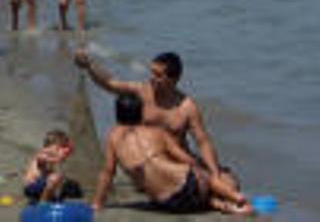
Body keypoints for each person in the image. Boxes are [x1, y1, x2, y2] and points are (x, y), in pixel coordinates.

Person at [74, 50, 228, 180]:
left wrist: (214, 172)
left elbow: (202, 142)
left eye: (158, 75)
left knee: (225, 177)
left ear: (174, 79)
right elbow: (110, 83)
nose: (152, 78)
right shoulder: (142, 92)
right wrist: (89, 65)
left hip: (178, 161)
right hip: (148, 161)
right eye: (152, 72)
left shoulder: (187, 107)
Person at [92, 93, 252, 215]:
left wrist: (97, 203)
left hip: (170, 203)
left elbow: (107, 173)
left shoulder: (113, 137)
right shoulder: (156, 132)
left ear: (117, 114)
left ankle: (226, 207)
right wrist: (205, 172)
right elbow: (186, 158)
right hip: (192, 185)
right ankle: (236, 198)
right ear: (141, 113)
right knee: (204, 178)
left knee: (187, 198)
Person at [23, 130, 77, 204]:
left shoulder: (54, 154)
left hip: (42, 185)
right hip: (32, 186)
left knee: (59, 178)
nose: (61, 150)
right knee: (55, 177)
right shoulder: (43, 153)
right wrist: (57, 158)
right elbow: (41, 159)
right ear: (50, 146)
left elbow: (71, 149)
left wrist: (67, 148)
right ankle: (42, 203)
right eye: (59, 147)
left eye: (63, 147)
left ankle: (48, 197)